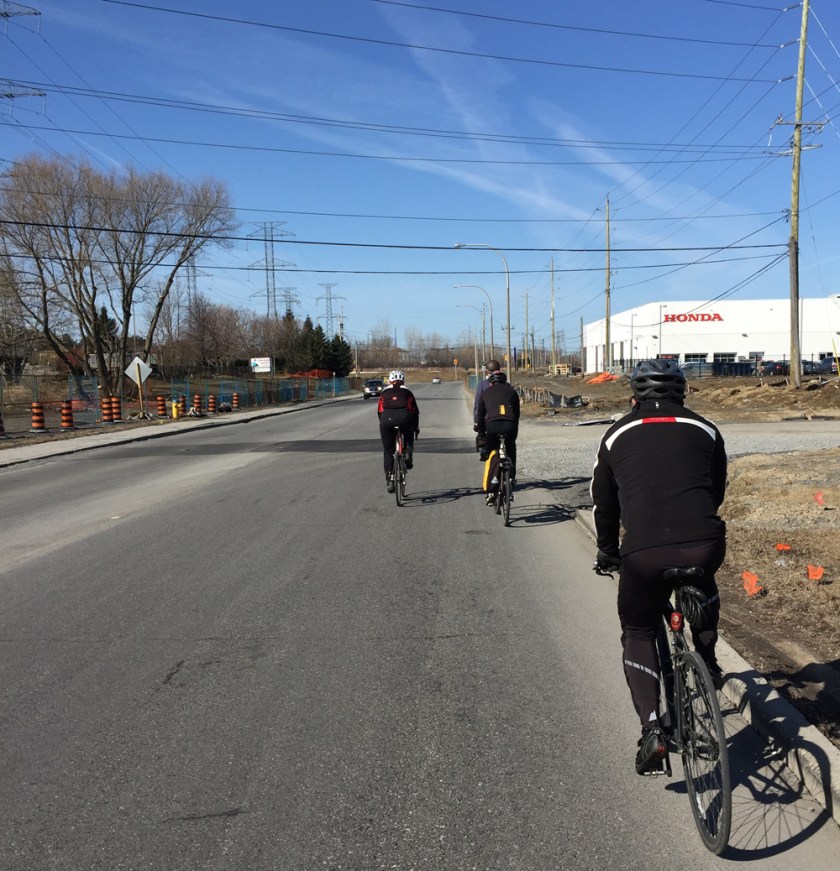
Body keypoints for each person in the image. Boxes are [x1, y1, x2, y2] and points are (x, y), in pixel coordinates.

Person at [590, 359, 727, 775]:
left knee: (638, 628)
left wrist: (607, 550)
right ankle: (708, 659)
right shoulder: (706, 429)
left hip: (645, 551)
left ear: (633, 396)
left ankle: (652, 729)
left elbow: (604, 502)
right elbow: (715, 488)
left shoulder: (615, 434)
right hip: (704, 543)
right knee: (703, 576)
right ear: (683, 394)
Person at [476, 368, 520, 506]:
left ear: (491, 383)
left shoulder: (486, 393)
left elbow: (480, 416)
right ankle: (512, 476)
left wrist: (481, 432)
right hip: (510, 425)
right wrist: (514, 428)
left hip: (493, 426)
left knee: (492, 454)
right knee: (511, 447)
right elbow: (517, 414)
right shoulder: (512, 392)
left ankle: (490, 490)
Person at [377, 369, 420, 493]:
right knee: (408, 433)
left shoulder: (384, 392)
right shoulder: (408, 391)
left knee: (388, 451)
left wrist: (384, 423)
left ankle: (390, 479)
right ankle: (408, 454)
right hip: (404, 419)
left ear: (389, 380)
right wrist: (415, 428)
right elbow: (415, 411)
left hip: (386, 420)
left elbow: (379, 410)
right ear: (403, 380)